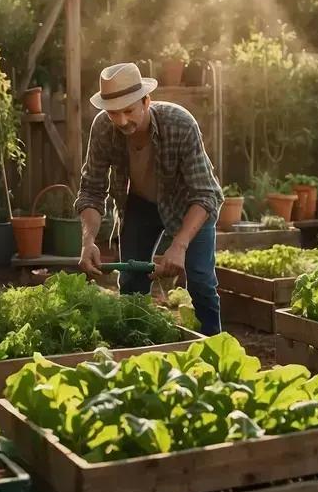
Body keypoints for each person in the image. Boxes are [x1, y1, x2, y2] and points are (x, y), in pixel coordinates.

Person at [75, 62, 224, 335]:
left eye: (128, 111)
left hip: (188, 206)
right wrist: (87, 241)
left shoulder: (180, 124)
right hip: (140, 205)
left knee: (201, 280)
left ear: (146, 100)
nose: (121, 121)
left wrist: (179, 245)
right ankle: (137, 348)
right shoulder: (102, 129)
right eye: (113, 113)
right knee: (131, 281)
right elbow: (92, 190)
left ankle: (214, 347)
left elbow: (205, 194)